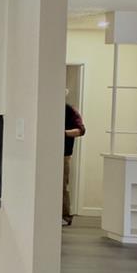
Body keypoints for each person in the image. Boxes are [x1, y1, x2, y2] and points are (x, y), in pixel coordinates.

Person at [63, 95, 86, 226]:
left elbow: (81, 130)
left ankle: (65, 216)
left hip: (63, 154)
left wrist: (64, 133)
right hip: (45, 152)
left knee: (62, 186)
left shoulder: (69, 110)